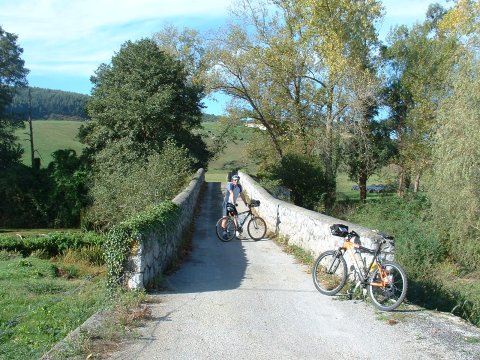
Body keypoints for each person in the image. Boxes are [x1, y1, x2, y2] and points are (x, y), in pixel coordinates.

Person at [221, 174, 247, 239]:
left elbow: (242, 195)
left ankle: (237, 234)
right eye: (235, 180)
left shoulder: (239, 186)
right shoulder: (230, 185)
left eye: (237, 180)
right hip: (226, 203)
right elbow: (231, 193)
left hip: (232, 204)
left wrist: (245, 202)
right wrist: (233, 202)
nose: (236, 181)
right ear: (232, 180)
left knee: (235, 217)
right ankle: (224, 233)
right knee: (225, 218)